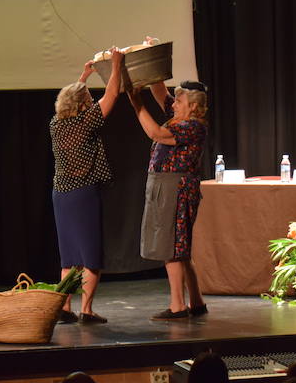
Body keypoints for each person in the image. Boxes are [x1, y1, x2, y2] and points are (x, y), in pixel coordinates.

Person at [50, 48, 123, 324]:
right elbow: (112, 95)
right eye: (88, 99)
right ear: (82, 106)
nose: (92, 103)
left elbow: (73, 97)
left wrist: (84, 75)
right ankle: (87, 311)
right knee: (90, 254)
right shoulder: (86, 122)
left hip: (61, 195)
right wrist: (116, 65)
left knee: (69, 256)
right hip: (82, 195)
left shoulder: (55, 125)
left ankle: (65, 308)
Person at [128, 77, 209, 320]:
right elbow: (161, 93)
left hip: (176, 189)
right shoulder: (180, 117)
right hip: (170, 187)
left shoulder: (192, 126)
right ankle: (196, 302)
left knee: (171, 247)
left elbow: (155, 133)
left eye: (179, 100)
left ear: (192, 106)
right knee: (180, 247)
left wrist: (136, 104)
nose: (173, 103)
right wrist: (155, 72)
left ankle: (178, 306)